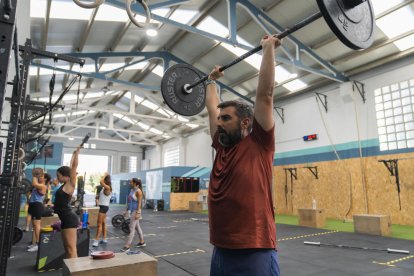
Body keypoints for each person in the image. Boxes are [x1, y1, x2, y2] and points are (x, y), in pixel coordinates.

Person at [206, 35, 281, 275]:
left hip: (254, 249)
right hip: (220, 249)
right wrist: (211, 81)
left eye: (226, 118)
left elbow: (265, 96)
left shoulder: (260, 143)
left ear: (245, 122)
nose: (219, 123)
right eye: (219, 119)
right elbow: (211, 108)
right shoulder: (220, 146)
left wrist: (268, 49)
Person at [54, 146, 82, 258]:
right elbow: (71, 166)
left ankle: (75, 273)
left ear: (65, 176)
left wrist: (77, 153)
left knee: (71, 250)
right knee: (67, 249)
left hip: (69, 219)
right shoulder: (63, 186)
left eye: (58, 176)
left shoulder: (70, 185)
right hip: (65, 219)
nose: (57, 178)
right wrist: (73, 153)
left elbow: (73, 167)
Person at [121, 178, 146, 252]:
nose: (130, 183)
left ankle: (127, 246)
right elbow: (129, 201)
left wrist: (138, 213)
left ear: (135, 183)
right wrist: (126, 210)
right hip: (132, 211)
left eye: (131, 182)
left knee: (131, 228)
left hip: (136, 211)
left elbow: (139, 203)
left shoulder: (139, 192)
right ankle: (142, 242)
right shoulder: (132, 190)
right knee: (137, 227)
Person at [27, 168, 47, 252]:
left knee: (37, 225)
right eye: (39, 175)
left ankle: (39, 244)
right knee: (34, 226)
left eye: (41, 176)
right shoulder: (37, 185)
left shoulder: (42, 186)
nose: (39, 177)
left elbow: (34, 183)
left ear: (45, 179)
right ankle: (35, 243)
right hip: (32, 205)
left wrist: (35, 175)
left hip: (37, 206)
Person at [92, 172, 112, 247]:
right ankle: (104, 239)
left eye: (104, 178)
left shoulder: (107, 187)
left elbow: (101, 181)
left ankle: (96, 240)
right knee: (103, 223)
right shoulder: (105, 187)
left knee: (99, 224)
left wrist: (105, 175)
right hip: (104, 207)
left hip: (103, 207)